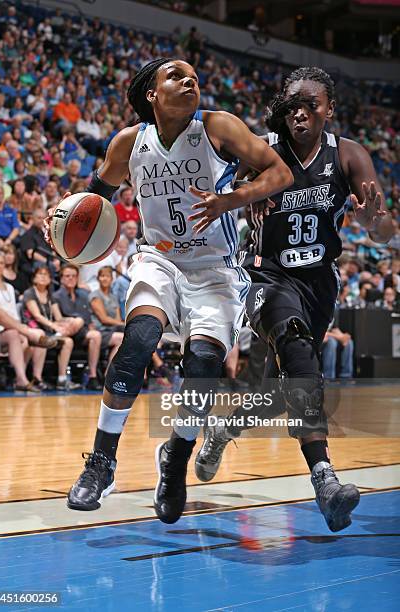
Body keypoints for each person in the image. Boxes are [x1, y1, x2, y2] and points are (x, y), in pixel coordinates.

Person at [50, 59, 292, 519]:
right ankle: (102, 463)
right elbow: (93, 200)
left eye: (193, 76)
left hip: (215, 269)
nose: (189, 81)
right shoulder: (128, 143)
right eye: (175, 76)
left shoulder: (219, 127)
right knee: (138, 341)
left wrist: (232, 199)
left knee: (202, 367)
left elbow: (279, 173)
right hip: (158, 259)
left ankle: (175, 459)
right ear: (151, 94)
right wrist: (60, 222)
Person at [195, 67, 394, 532]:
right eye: (292, 104)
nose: (300, 112)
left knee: (284, 389)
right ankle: (324, 477)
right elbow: (223, 192)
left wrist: (373, 224)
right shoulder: (261, 149)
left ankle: (224, 429)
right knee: (298, 351)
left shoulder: (348, 155)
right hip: (267, 275)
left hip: (318, 283)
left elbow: (385, 231)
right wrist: (247, 192)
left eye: (311, 104)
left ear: (328, 109)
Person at [0, 250, 57, 392]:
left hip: (12, 331)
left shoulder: (9, 287)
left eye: (1, 263)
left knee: (35, 334)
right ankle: (20, 378)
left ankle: (32, 378)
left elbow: (15, 315)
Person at [21, 266, 78, 390]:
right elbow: (37, 316)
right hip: (32, 331)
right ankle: (37, 378)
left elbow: (58, 317)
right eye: (40, 274)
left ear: (50, 280)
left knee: (68, 341)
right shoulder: (29, 293)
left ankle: (62, 380)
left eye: (46, 275)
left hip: (48, 331)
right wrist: (55, 326)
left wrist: (70, 321)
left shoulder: (50, 295)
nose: (43, 277)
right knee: (43, 339)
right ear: (34, 278)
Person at [52, 264, 103, 390]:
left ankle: (92, 376)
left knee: (95, 335)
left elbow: (88, 318)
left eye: (74, 276)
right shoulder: (56, 296)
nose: (71, 278)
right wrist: (75, 320)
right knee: (78, 320)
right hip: (64, 329)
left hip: (80, 332)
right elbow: (58, 319)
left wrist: (82, 322)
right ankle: (62, 380)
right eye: (67, 276)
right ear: (61, 278)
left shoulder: (83, 295)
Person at [89, 266, 125, 362]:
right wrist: (122, 324)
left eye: (108, 276)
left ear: (112, 279)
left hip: (114, 329)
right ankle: (109, 373)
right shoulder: (95, 295)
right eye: (102, 276)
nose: (105, 279)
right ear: (98, 279)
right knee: (126, 338)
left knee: (137, 335)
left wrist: (121, 324)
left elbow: (117, 318)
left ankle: (143, 374)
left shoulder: (113, 297)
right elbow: (104, 319)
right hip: (101, 331)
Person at [0, 185, 20, 250]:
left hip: (10, 238)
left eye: (0, 193)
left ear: (3, 195)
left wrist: (9, 240)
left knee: (18, 242)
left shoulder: (11, 210)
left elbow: (16, 228)